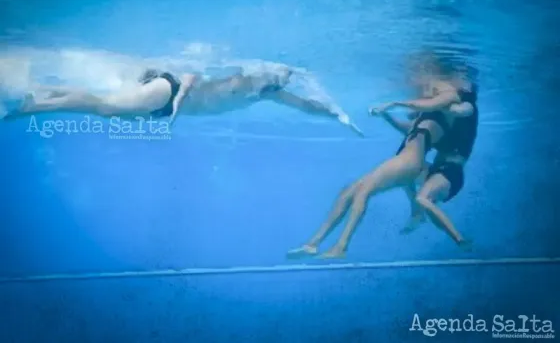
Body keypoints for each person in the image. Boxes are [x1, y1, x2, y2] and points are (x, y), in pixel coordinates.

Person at [287, 71, 472, 259]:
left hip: (409, 163)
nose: (427, 90)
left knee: (364, 191)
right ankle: (313, 243)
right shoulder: (427, 116)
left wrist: (395, 103)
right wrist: (386, 116)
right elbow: (408, 127)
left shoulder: (447, 112)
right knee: (348, 190)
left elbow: (433, 104)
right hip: (402, 161)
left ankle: (341, 247)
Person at [4, 67, 364, 136]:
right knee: (106, 106)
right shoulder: (244, 72)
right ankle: (28, 107)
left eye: (288, 79)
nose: (285, 81)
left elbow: (306, 106)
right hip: (169, 91)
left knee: (105, 108)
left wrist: (339, 116)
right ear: (270, 69)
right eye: (282, 75)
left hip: (164, 111)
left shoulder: (266, 93)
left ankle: (41, 93)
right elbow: (192, 73)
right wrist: (177, 106)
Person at [398, 83, 479, 250]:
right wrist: (386, 116)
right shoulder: (443, 119)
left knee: (423, 198)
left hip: (451, 173)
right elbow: (410, 129)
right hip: (436, 169)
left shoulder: (468, 106)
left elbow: (460, 110)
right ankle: (417, 213)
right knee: (403, 172)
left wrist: (433, 106)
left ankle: (459, 239)